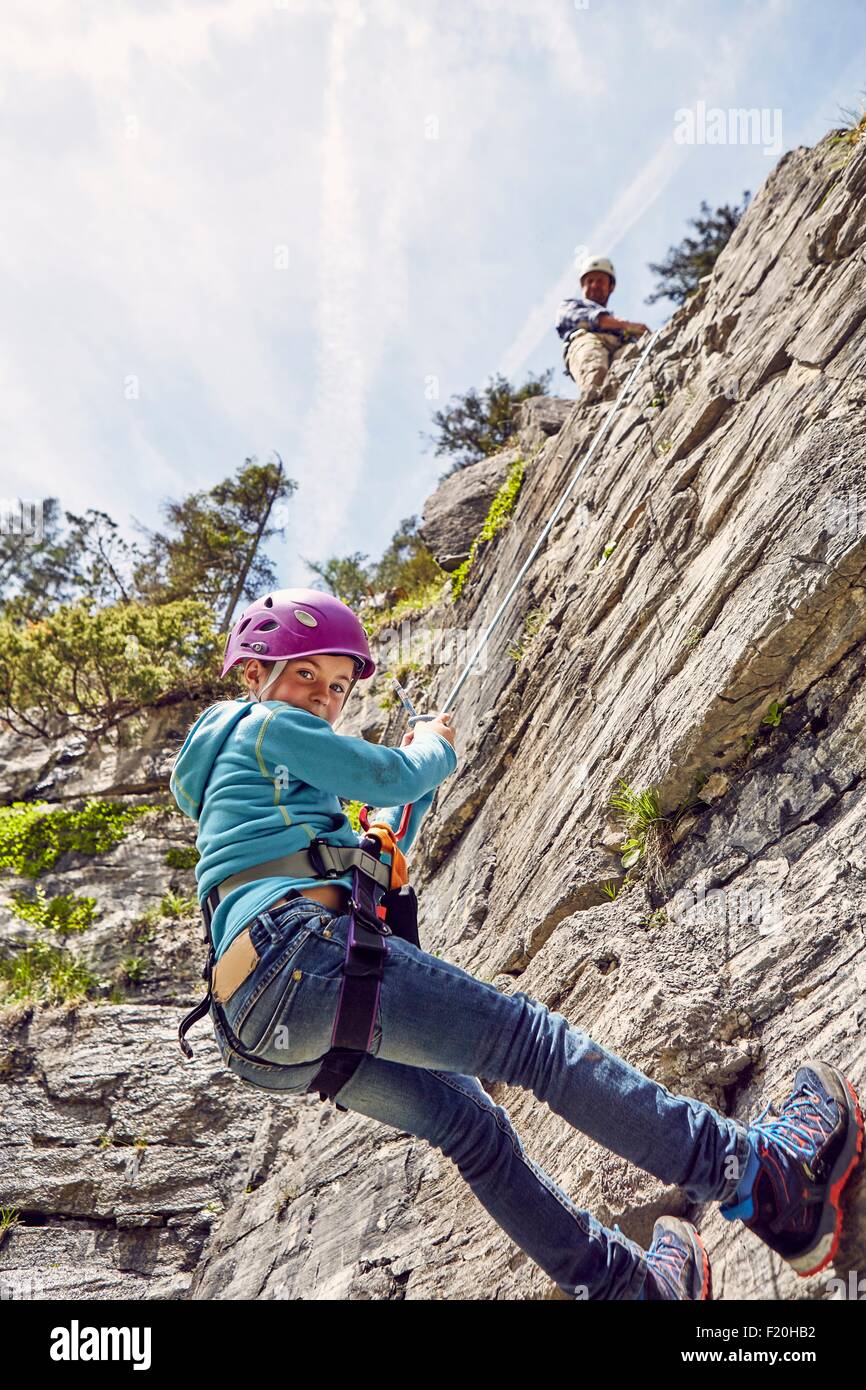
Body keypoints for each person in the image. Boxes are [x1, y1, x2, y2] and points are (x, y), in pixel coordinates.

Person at [170, 587, 864, 1300]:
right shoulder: (254, 725)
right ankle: (763, 1176)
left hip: (259, 1029)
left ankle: (627, 1290)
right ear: (255, 674)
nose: (322, 698)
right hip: (301, 959)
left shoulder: (252, 798)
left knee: (471, 1131)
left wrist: (396, 817)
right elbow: (388, 774)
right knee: (533, 1045)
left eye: (339, 687)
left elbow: (370, 852)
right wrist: (431, 748)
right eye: (305, 673)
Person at [556, 254, 651, 404]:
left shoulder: (617, 327)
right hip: (584, 341)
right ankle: (593, 405)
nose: (594, 285)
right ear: (582, 286)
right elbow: (596, 319)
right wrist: (628, 326)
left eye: (600, 281)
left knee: (632, 361)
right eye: (589, 281)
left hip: (617, 345)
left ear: (610, 286)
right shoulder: (569, 306)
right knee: (596, 368)